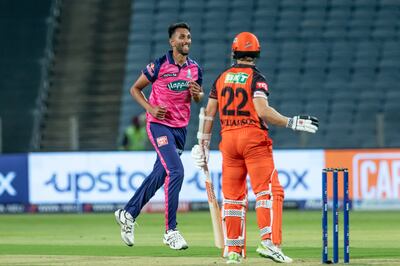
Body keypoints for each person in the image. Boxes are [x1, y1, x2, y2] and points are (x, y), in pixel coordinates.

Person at [191, 32, 319, 264]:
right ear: (256, 53)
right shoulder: (257, 78)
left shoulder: (222, 77)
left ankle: (233, 251)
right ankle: (269, 243)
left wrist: (203, 145)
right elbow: (263, 111)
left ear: (234, 52)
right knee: (269, 191)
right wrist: (292, 122)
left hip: (228, 140)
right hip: (253, 139)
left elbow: (209, 114)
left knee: (233, 198)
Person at [114, 22, 203, 250]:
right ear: (172, 42)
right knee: (176, 171)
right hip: (159, 125)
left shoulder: (195, 69)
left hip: (180, 130)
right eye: (182, 37)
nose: (186, 41)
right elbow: (135, 89)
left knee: (159, 174)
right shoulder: (159, 65)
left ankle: (128, 213)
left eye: (189, 37)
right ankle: (170, 231)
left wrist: (197, 95)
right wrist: (151, 109)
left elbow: (198, 98)